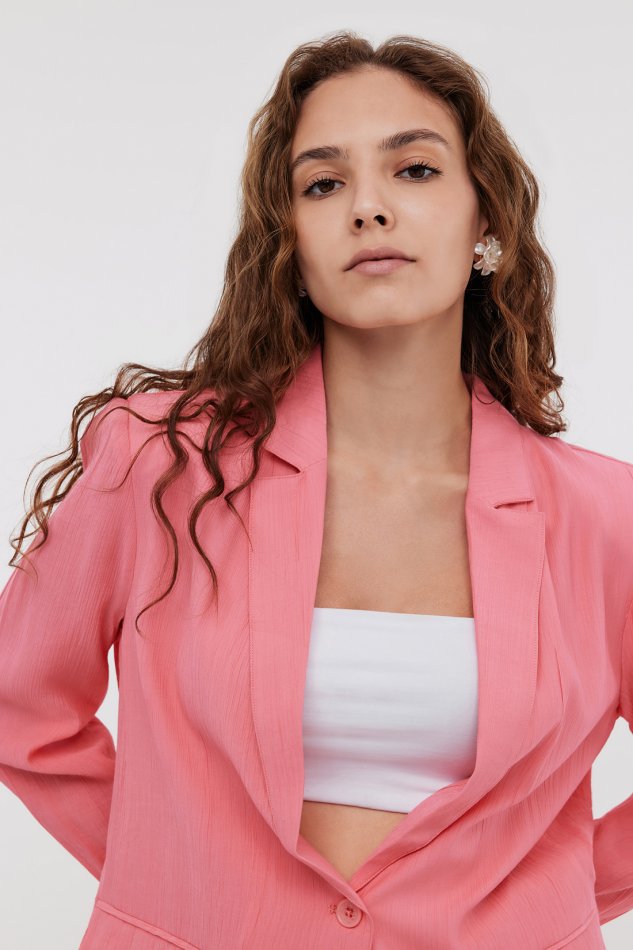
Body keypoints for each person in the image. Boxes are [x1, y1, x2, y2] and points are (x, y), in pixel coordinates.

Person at [1, 29, 631, 949]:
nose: (368, 208)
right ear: (288, 242)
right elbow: (20, 707)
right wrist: (177, 882)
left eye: (414, 170)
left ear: (484, 222)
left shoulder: (604, 517)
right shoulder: (159, 464)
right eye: (323, 184)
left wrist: (540, 904)